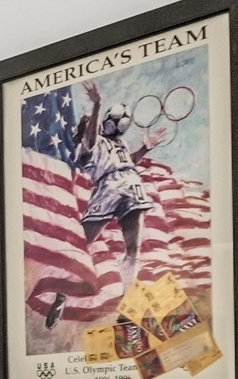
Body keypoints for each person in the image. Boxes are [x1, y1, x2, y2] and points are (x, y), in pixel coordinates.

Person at [45, 81, 168, 329]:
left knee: (133, 249)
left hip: (130, 183)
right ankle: (62, 295)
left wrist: (145, 147)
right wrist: (98, 103)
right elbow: (92, 136)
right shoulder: (89, 144)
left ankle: (126, 309)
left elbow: (126, 163)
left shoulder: (118, 144)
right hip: (109, 188)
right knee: (82, 246)